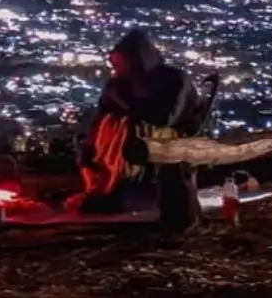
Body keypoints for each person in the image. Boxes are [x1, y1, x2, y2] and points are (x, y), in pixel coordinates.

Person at [74, 29, 204, 229]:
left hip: (175, 133)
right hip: (130, 136)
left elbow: (165, 118)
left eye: (120, 63)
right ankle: (104, 189)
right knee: (114, 130)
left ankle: (113, 187)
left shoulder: (173, 79)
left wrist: (127, 102)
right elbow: (102, 115)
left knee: (125, 131)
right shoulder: (119, 84)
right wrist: (89, 145)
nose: (116, 68)